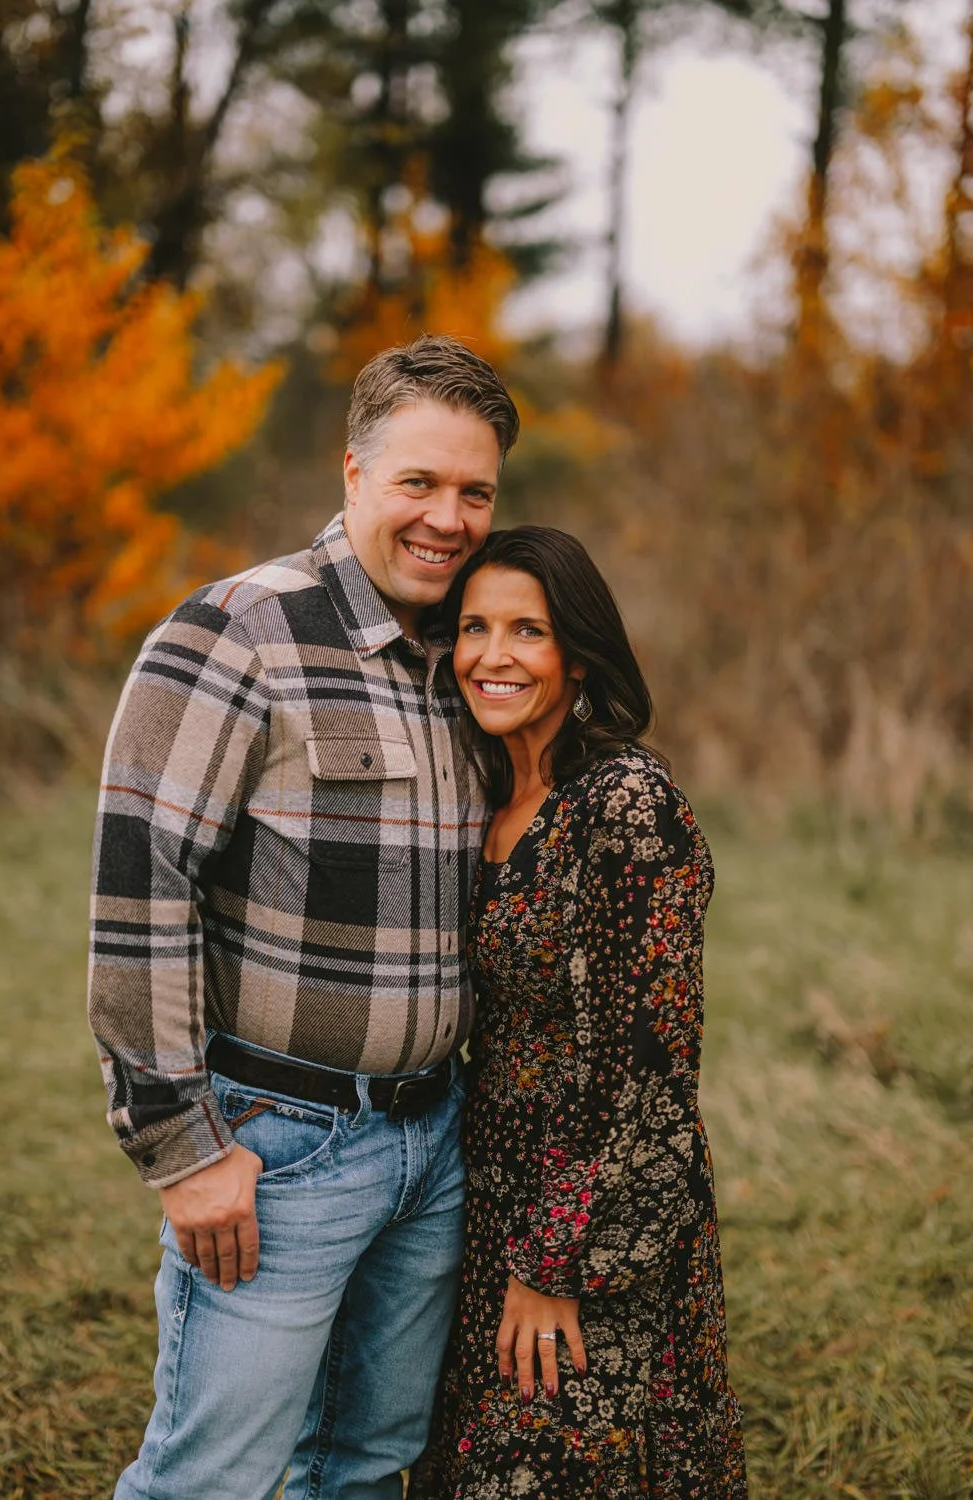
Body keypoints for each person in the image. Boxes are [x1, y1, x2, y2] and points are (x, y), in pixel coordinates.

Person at [87, 334, 520, 1500]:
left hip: (433, 1146)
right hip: (280, 1149)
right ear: (353, 474)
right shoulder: (240, 629)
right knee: (212, 1477)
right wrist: (183, 1151)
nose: (447, 517)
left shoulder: (465, 659)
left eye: (473, 490)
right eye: (418, 483)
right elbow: (141, 889)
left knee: (368, 1467)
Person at [410, 526, 747, 1500]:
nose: (491, 655)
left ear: (580, 654)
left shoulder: (626, 806)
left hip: (593, 1213)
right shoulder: (484, 792)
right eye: (474, 628)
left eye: (528, 630)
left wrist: (554, 1261)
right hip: (487, 1185)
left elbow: (646, 1069)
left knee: (567, 1461)